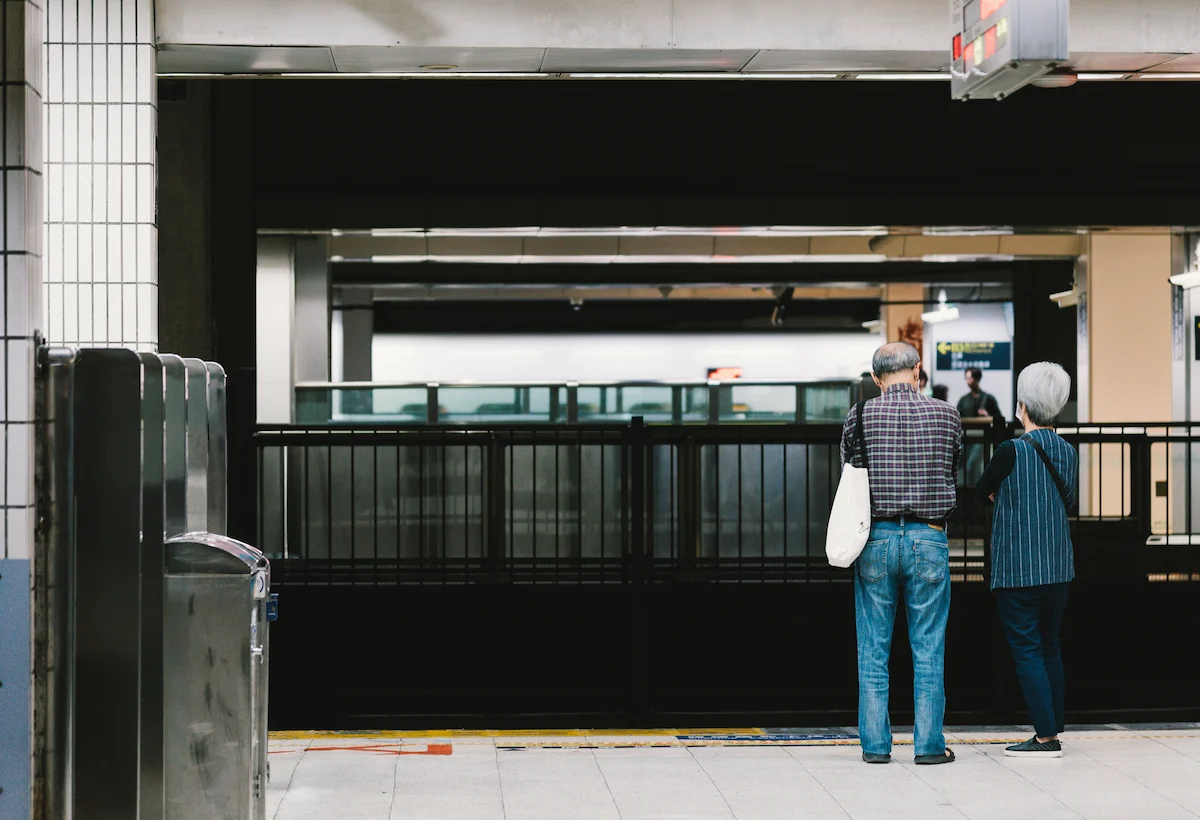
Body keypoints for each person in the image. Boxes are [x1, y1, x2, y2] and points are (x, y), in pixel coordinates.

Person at [840, 342, 962, 766]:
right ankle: (928, 746)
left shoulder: (860, 415)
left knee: (873, 648)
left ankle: (876, 745)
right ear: (917, 370)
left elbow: (849, 469)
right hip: (929, 537)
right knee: (928, 647)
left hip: (875, 538)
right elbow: (953, 467)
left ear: (876, 378)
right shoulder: (948, 414)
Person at [976, 362, 1077, 759]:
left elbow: (981, 489)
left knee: (1028, 652)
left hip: (1018, 569)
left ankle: (1045, 735)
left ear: (1022, 407)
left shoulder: (1010, 451)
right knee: (1050, 646)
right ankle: (1054, 725)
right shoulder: (1067, 451)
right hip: (1057, 568)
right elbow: (1066, 500)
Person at [957, 367, 1003, 485]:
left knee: (973, 466)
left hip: (982, 438)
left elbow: (998, 418)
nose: (967, 381)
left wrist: (987, 415)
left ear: (976, 379)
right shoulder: (964, 400)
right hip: (966, 438)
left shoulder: (988, 398)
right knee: (965, 467)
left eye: (969, 378)